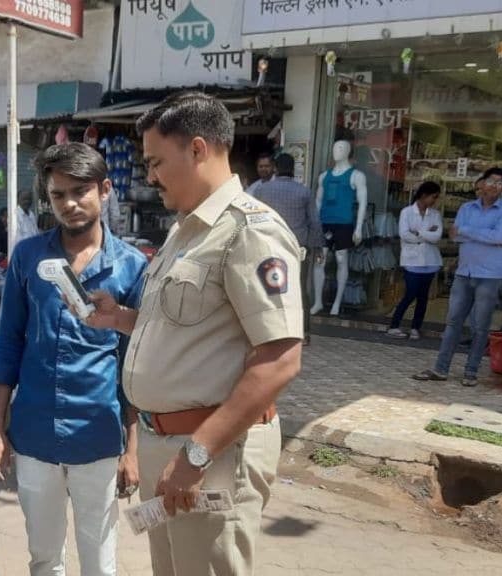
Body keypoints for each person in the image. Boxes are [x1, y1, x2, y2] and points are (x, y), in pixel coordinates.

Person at [87, 92, 303, 576]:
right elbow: (179, 326)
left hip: (211, 452)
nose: (149, 176)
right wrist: (119, 317)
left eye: (157, 162)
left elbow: (281, 358)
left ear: (199, 150)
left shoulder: (251, 231)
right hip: (171, 446)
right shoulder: (187, 231)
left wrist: (197, 453)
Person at [0, 142, 147, 576]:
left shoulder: (132, 267)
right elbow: (7, 344)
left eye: (81, 191)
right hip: (35, 434)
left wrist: (132, 449)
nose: (70, 204)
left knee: (100, 562)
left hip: (97, 435)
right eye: (58, 195)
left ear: (106, 189)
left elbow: (135, 364)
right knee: (44, 558)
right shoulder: (28, 257)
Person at [413, 167, 502, 387]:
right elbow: (455, 236)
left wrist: (469, 231)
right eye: (492, 181)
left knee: (480, 325)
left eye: (500, 184)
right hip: (464, 271)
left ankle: (471, 372)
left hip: (490, 274)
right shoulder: (467, 208)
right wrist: (487, 237)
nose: (495, 187)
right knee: (453, 322)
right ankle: (441, 368)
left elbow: (500, 236)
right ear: (482, 183)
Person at [250, 152, 322, 345]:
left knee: (267, 288)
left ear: (275, 168)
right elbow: (314, 222)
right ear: (294, 170)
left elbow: (255, 219)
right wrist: (318, 247)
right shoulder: (304, 192)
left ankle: (267, 331)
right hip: (298, 248)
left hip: (269, 245)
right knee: (298, 289)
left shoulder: (262, 191)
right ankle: (303, 332)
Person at [387, 181, 443, 340]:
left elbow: (437, 236)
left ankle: (415, 328)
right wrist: (426, 235)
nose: (435, 201)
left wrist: (418, 232)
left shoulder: (435, 214)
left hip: (430, 261)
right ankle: (394, 325)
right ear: (424, 195)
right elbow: (404, 234)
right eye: (434, 197)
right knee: (410, 294)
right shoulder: (407, 212)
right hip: (412, 261)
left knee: (423, 297)